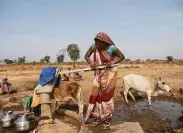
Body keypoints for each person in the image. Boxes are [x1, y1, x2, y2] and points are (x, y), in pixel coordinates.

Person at [84, 32, 125, 129]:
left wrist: (112, 62)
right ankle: (98, 117)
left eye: (99, 44)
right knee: (96, 96)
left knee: (107, 97)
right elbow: (86, 56)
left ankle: (107, 119)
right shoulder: (94, 46)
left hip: (109, 75)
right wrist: (91, 63)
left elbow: (122, 57)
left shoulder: (112, 48)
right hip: (98, 74)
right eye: (96, 43)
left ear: (105, 42)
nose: (97, 45)